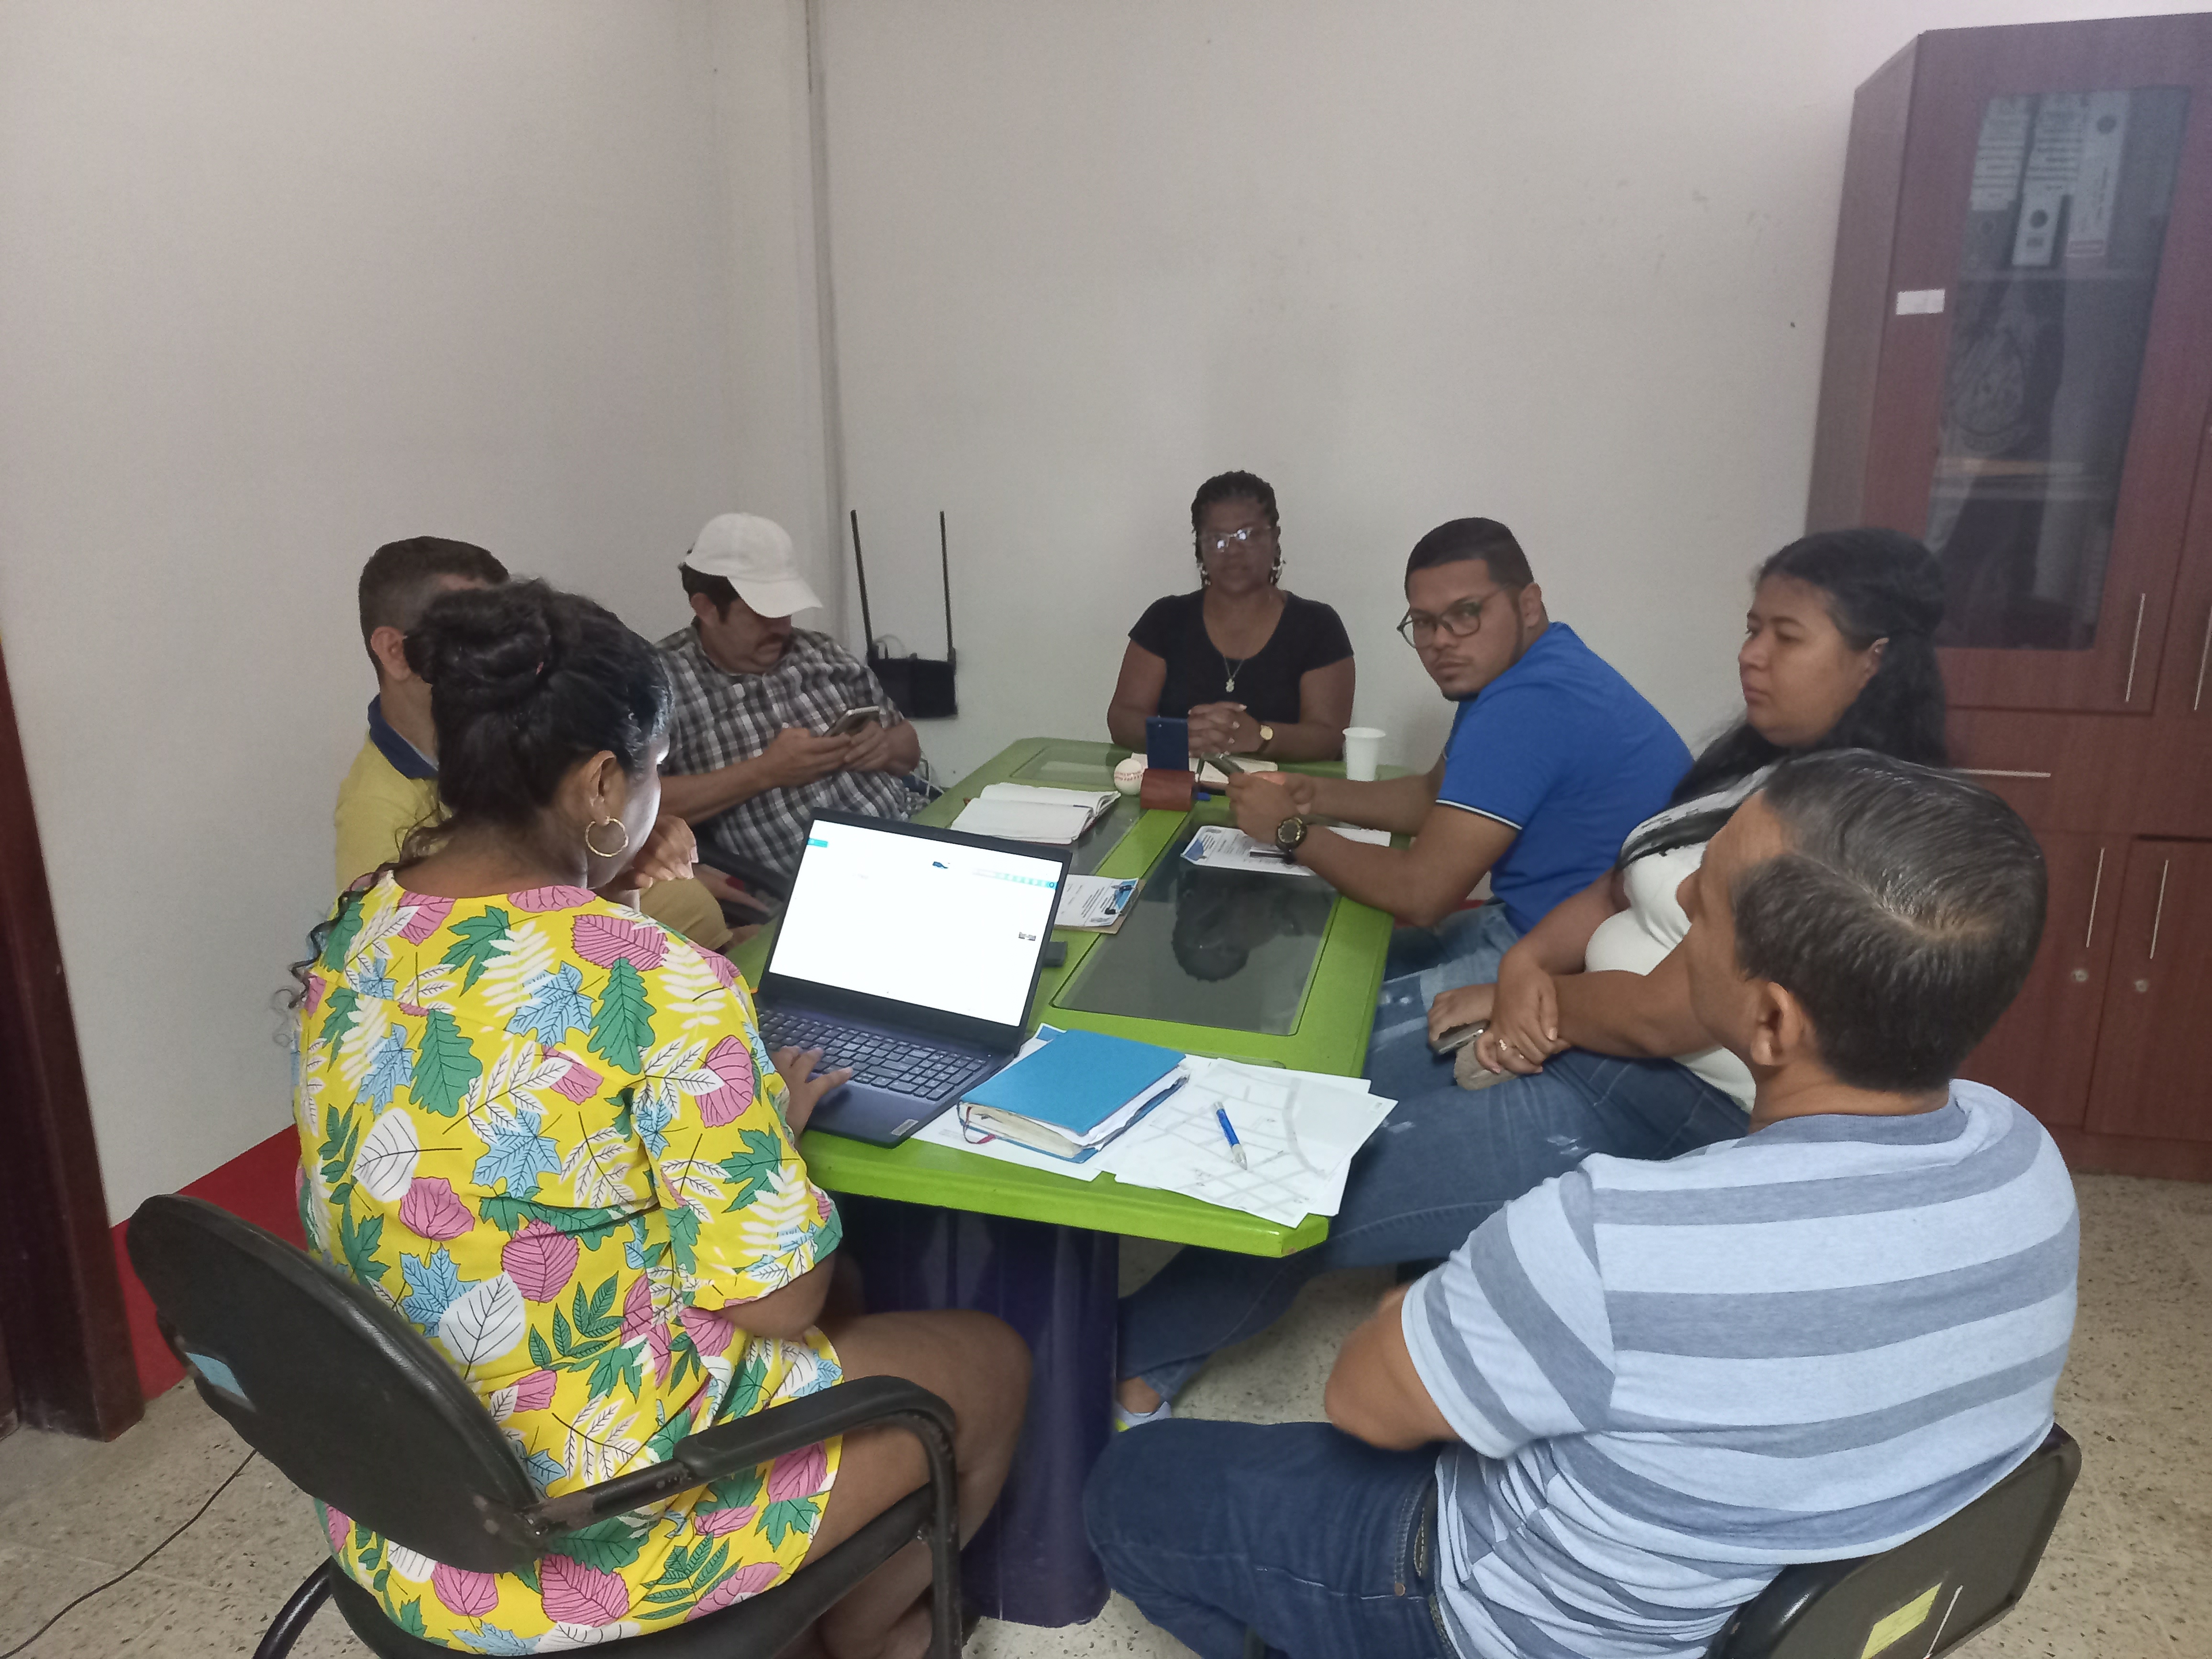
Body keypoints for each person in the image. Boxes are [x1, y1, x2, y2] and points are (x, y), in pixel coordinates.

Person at [1086, 750, 2076, 1659]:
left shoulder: (1611, 1236)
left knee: (1129, 1487)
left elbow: (1362, 1399)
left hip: (1499, 1619)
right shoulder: (2024, 1158)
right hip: (1760, 1618)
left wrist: (1432, 1307)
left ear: (1770, 1021)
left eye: (1707, 903)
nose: (1678, 893)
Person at [293, 580, 1028, 1656]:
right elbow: (777, 1303)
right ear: (603, 782)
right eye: (650, 772)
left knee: (849, 1311)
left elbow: (508, 1083)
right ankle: (870, 1640)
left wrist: (607, 901)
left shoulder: (361, 923)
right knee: (988, 1362)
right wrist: (764, 1128)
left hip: (406, 1498)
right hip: (587, 1533)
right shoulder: (659, 981)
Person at [1114, 528, 1948, 1427]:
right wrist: (1522, 964)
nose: (1751, 655)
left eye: (1785, 637)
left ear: (1873, 659)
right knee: (1328, 1094)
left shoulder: (1846, 820)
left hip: (1664, 1093)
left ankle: (1125, 1370)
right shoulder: (1745, 762)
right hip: (1576, 999)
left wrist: (1527, 998)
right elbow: (1619, 874)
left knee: (1324, 1165)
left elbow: (1666, 1014)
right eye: (1752, 628)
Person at [1224, 517, 1688, 1102]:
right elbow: (1430, 797)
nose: (1440, 641)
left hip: (1583, 969)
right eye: (1423, 622)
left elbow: (1423, 894)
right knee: (1317, 972)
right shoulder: (1519, 669)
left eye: (1465, 614)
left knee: (1301, 1061)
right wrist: (1309, 794)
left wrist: (1292, 831)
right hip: (1531, 927)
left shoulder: (1529, 701)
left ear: (1528, 605)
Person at [336, 535, 736, 952]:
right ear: (395, 651)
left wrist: (620, 858)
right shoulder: (376, 812)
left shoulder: (511, 744)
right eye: (470, 637)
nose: (507, 653)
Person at [656, 513, 924, 883]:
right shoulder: (660, 683)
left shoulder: (823, 652)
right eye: (763, 613)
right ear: (707, 609)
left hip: (910, 834)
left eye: (786, 609)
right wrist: (764, 772)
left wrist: (885, 748)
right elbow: (626, 809)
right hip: (811, 883)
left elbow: (909, 749)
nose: (782, 627)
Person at [1108, 472, 1354, 763]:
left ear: (1274, 538)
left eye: (1248, 535)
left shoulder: (1318, 626)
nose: (1234, 551)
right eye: (1218, 539)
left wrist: (1261, 737)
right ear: (1200, 546)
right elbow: (1122, 718)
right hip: (1181, 786)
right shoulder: (1165, 619)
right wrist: (1179, 735)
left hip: (1286, 789)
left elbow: (1329, 736)